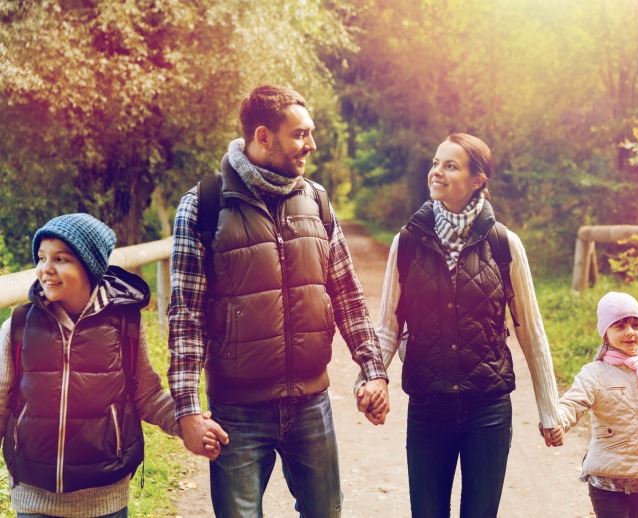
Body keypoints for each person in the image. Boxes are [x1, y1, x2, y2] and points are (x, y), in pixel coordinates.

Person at [168, 83, 389, 518]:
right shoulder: (203, 206)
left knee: (326, 512)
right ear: (263, 136)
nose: (311, 144)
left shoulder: (317, 202)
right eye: (300, 134)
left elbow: (347, 294)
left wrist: (374, 370)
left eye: (310, 133)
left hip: (311, 403)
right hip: (238, 412)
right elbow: (185, 318)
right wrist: (188, 410)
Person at [356, 133, 563, 517]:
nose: (436, 172)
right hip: (428, 406)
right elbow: (387, 326)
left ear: (478, 179)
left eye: (450, 165)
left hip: (488, 408)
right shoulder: (408, 243)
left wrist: (550, 410)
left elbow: (530, 331)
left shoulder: (505, 245)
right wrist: (371, 377)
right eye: (436, 163)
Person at [0, 213, 219, 518]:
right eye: (41, 258)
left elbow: (148, 396)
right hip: (34, 497)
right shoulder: (19, 326)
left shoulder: (123, 323)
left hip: (105, 497)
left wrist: (187, 424)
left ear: (89, 266)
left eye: (61, 259)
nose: (45, 269)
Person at [554, 291, 638, 518]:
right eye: (619, 326)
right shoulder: (595, 373)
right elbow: (572, 402)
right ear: (605, 333)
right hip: (607, 478)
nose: (630, 332)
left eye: (635, 325)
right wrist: (557, 420)